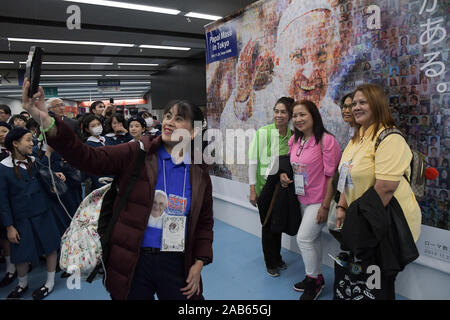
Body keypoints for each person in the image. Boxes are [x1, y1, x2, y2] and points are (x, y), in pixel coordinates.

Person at [22, 81, 213, 301]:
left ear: (193, 131)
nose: (169, 122)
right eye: (168, 116)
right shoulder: (138, 152)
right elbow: (87, 157)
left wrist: (199, 262)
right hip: (133, 260)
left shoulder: (199, 174)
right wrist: (45, 119)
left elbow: (205, 222)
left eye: (179, 119)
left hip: (177, 261)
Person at [335, 84, 421, 299]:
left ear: (377, 104)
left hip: (383, 222)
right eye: (354, 103)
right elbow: (346, 176)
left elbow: (385, 188)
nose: (356, 107)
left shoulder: (390, 138)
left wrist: (357, 230)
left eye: (362, 102)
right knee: (363, 280)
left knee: (379, 282)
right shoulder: (356, 139)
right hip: (360, 220)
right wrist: (342, 205)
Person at [280, 100, 341, 300]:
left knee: (304, 238)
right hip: (301, 198)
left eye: (302, 114)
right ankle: (315, 277)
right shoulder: (295, 141)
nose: (298, 119)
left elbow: (333, 176)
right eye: (295, 116)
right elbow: (294, 166)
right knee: (312, 239)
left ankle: (314, 282)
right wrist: (284, 176)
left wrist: (325, 205)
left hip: (320, 200)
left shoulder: (326, 141)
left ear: (313, 115)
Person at [0, 127, 61, 300]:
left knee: (50, 247)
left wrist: (55, 176)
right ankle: (22, 284)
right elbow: (2, 201)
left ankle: (49, 282)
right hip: (20, 218)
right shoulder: (3, 168)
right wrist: (9, 226)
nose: (32, 143)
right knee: (21, 253)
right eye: (28, 140)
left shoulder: (34, 161)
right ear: (15, 143)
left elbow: (45, 177)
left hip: (43, 212)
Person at [248, 97, 294, 277]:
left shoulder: (292, 136)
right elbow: (253, 161)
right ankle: (270, 262)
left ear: (289, 115)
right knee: (267, 225)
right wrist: (252, 189)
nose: (279, 115)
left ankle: (278, 256)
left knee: (279, 223)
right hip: (264, 188)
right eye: (276, 111)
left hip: (282, 189)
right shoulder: (263, 133)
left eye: (283, 112)